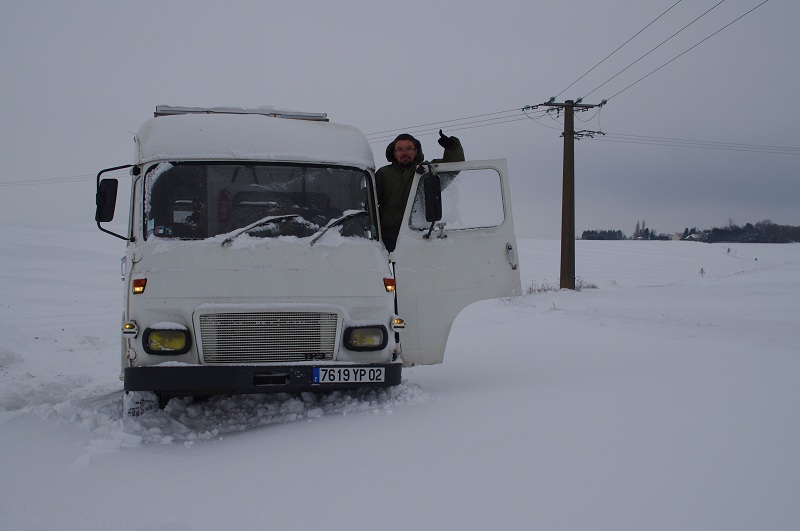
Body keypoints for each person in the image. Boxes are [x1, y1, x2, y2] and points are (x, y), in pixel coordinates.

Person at [375, 130, 464, 251]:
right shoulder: (383, 174)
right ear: (394, 153)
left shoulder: (426, 172)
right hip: (386, 238)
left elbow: (453, 167)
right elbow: (370, 201)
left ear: (416, 151)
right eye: (400, 149)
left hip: (417, 236)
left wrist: (452, 147)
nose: (404, 153)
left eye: (409, 149)